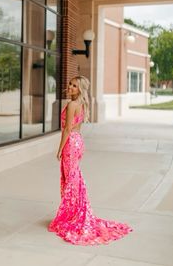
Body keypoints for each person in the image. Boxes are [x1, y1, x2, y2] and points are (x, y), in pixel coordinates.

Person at [48, 75, 133, 245]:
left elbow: (66, 129)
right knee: (73, 178)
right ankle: (75, 211)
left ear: (80, 89)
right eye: (70, 84)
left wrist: (59, 150)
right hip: (78, 141)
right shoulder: (81, 104)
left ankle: (73, 214)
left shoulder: (72, 104)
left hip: (70, 143)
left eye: (74, 86)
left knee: (70, 180)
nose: (70, 87)